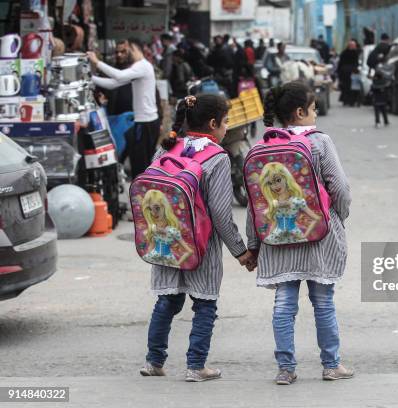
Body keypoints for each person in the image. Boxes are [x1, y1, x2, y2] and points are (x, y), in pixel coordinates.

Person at [139, 93, 256, 381]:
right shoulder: (216, 158)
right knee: (204, 305)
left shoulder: (165, 148)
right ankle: (196, 366)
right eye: (226, 122)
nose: (227, 128)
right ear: (214, 124)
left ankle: (154, 362)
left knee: (166, 302)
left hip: (166, 242)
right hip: (200, 248)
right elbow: (220, 213)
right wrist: (241, 251)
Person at [247, 81, 353, 385]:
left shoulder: (262, 147)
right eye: (314, 108)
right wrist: (338, 217)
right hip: (317, 235)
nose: (316, 114)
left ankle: (285, 368)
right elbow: (340, 188)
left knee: (283, 303)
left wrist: (254, 244)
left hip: (279, 240)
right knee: (323, 302)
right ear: (300, 112)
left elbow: (256, 203)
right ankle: (331, 365)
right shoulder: (319, 142)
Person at [89, 38, 160, 178]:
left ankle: (142, 195)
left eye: (127, 51)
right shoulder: (139, 67)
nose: (126, 54)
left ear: (135, 49)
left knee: (141, 167)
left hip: (146, 123)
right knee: (139, 163)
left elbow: (119, 76)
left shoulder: (142, 66)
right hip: (145, 122)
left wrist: (97, 62)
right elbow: (113, 84)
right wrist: (90, 79)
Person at [337, 40, 361, 106]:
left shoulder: (353, 53)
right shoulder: (347, 53)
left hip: (350, 72)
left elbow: (356, 63)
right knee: (347, 87)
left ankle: (350, 101)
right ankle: (348, 101)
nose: (354, 47)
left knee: (351, 88)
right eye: (353, 45)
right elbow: (341, 63)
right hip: (347, 73)